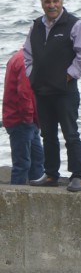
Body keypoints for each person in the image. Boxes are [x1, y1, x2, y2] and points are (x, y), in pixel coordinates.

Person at [23, 0, 81, 192]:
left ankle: (77, 176)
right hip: (42, 91)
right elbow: (27, 54)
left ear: (62, 1)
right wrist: (32, 76)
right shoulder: (36, 26)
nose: (51, 5)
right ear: (42, 3)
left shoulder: (75, 25)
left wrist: (67, 77)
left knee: (70, 134)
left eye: (55, 1)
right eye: (47, 1)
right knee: (48, 135)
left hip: (65, 91)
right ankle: (51, 174)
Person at [2, 48, 44, 184]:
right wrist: (29, 119)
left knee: (36, 160)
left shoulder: (20, 57)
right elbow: (25, 94)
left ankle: (37, 196)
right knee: (23, 164)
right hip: (21, 120)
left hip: (24, 120)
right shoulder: (25, 61)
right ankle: (15, 198)